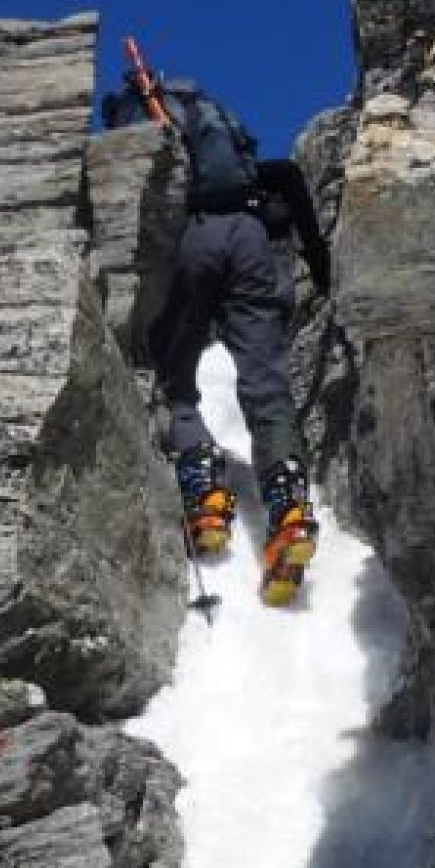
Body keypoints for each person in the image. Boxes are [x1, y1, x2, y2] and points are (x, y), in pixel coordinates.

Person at [102, 66, 332, 601]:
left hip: (192, 239)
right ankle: (289, 506)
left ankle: (204, 492)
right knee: (264, 379)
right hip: (251, 238)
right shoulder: (221, 132)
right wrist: (322, 270)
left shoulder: (145, 126)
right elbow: (286, 176)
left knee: (173, 373)